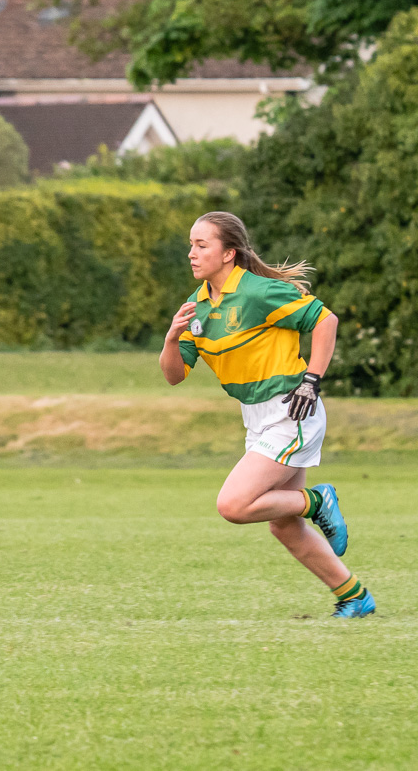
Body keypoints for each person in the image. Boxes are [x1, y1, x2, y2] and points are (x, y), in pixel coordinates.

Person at [160, 211, 375, 618]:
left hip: (292, 409)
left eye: (201, 245)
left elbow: (325, 320)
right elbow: (174, 376)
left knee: (234, 505)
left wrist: (312, 379)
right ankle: (355, 597)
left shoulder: (258, 292)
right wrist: (172, 339)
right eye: (191, 244)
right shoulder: (197, 307)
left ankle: (316, 500)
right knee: (282, 524)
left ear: (229, 253)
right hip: (256, 417)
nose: (191, 253)